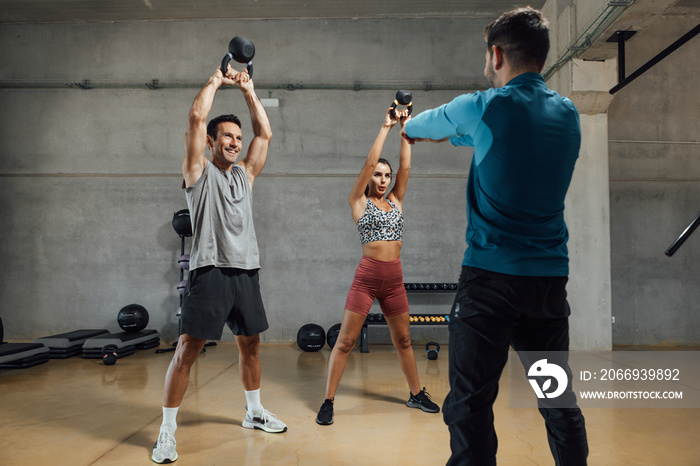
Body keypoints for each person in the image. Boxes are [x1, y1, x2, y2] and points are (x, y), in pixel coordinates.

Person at [401, 7, 588, 466]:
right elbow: (498, 144)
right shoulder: (568, 116)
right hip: (546, 285)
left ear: (497, 54)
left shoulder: (485, 105)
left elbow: (417, 126)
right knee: (557, 399)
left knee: (469, 404)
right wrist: (458, 137)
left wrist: (419, 129)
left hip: (490, 283)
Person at [152, 65, 286, 464]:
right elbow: (195, 117)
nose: (235, 142)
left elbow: (265, 134)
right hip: (209, 271)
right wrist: (216, 80)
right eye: (227, 136)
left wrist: (248, 89)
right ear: (211, 142)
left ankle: (253, 411)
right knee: (187, 350)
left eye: (237, 137)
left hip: (246, 271)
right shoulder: (198, 172)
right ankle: (167, 431)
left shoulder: (245, 175)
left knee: (252, 346)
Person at [316, 105, 440, 426]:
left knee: (404, 341)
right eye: (378, 175)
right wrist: (386, 126)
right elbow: (371, 161)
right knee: (345, 342)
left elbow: (406, 166)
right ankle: (328, 400)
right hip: (367, 279)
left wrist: (406, 129)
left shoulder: (396, 199)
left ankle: (415, 394)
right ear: (369, 178)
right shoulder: (358, 201)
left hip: (394, 280)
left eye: (386, 175)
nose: (383, 179)